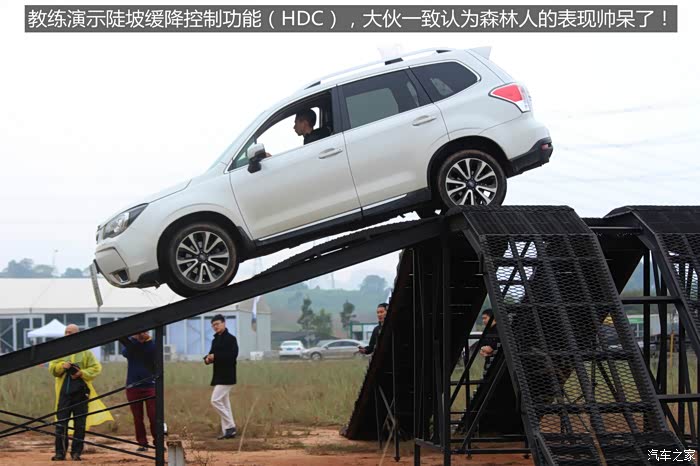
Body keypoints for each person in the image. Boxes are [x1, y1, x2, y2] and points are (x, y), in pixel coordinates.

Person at [48, 324, 113, 461]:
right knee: (61, 424)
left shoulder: (85, 352)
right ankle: (60, 453)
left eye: (70, 332)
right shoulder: (59, 350)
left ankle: (76, 453)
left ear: (77, 334)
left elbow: (96, 368)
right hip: (64, 394)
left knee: (80, 425)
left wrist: (81, 373)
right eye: (66, 332)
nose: (67, 335)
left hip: (81, 394)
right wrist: (62, 366)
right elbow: (52, 369)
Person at [119, 331, 157, 452]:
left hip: (150, 385)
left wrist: (147, 340)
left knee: (154, 416)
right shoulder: (132, 343)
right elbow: (125, 353)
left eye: (144, 332)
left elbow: (154, 353)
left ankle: (158, 441)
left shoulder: (152, 344)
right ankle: (142, 443)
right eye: (139, 332)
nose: (141, 334)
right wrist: (135, 339)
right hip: (133, 385)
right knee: (137, 418)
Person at [204, 314, 239, 440]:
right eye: (213, 325)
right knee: (225, 403)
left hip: (227, 375)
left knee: (215, 400)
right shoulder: (215, 340)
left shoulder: (231, 339)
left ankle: (230, 426)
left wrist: (216, 356)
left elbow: (232, 356)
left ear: (224, 323)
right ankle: (228, 432)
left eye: (217, 324)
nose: (215, 327)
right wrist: (207, 359)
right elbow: (211, 355)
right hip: (218, 375)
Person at [479, 309, 500, 374]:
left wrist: (491, 351)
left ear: (492, 318)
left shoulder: (499, 329)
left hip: (498, 364)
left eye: (485, 318)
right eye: (482, 319)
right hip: (489, 362)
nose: (483, 321)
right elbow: (481, 344)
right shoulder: (486, 331)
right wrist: (482, 349)